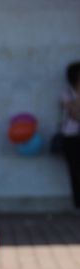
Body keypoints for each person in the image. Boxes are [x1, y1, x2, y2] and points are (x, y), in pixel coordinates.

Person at [59, 61, 80, 209]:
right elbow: (74, 114)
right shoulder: (66, 93)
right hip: (71, 137)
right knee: (75, 171)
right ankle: (78, 204)